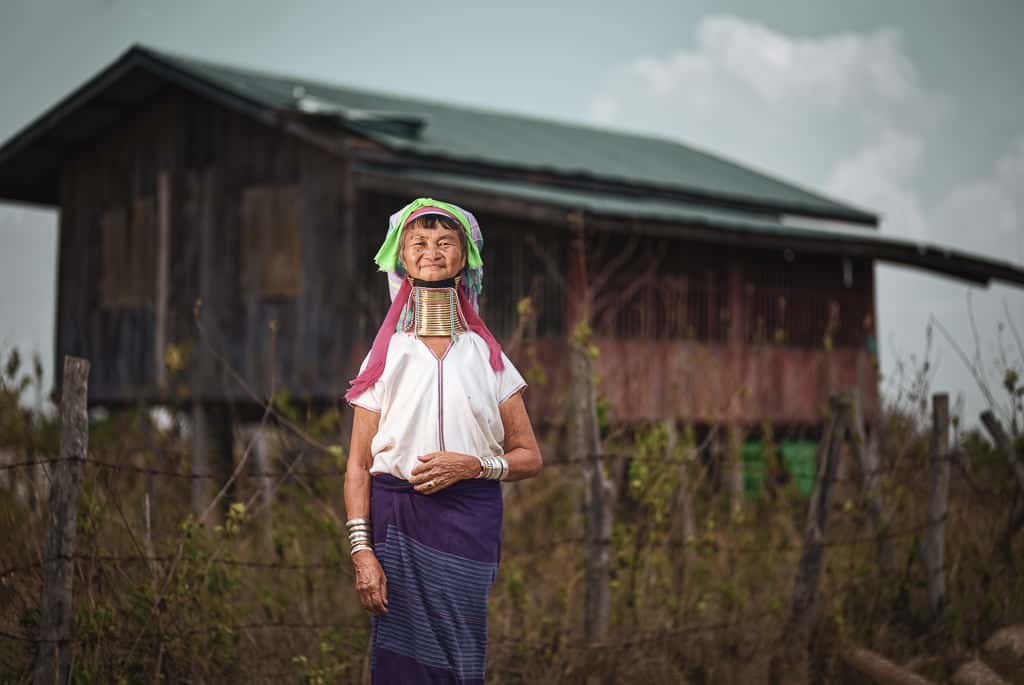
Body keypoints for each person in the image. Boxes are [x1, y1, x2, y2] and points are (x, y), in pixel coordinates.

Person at [343, 198, 543, 683]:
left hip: (467, 523)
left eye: (445, 242)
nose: (432, 251)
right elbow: (356, 466)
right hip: (398, 522)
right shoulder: (385, 356)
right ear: (402, 258)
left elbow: (529, 456)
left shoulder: (488, 359)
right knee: (401, 658)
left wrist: (474, 466)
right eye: (419, 242)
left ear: (464, 257)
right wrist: (362, 551)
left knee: (460, 653)